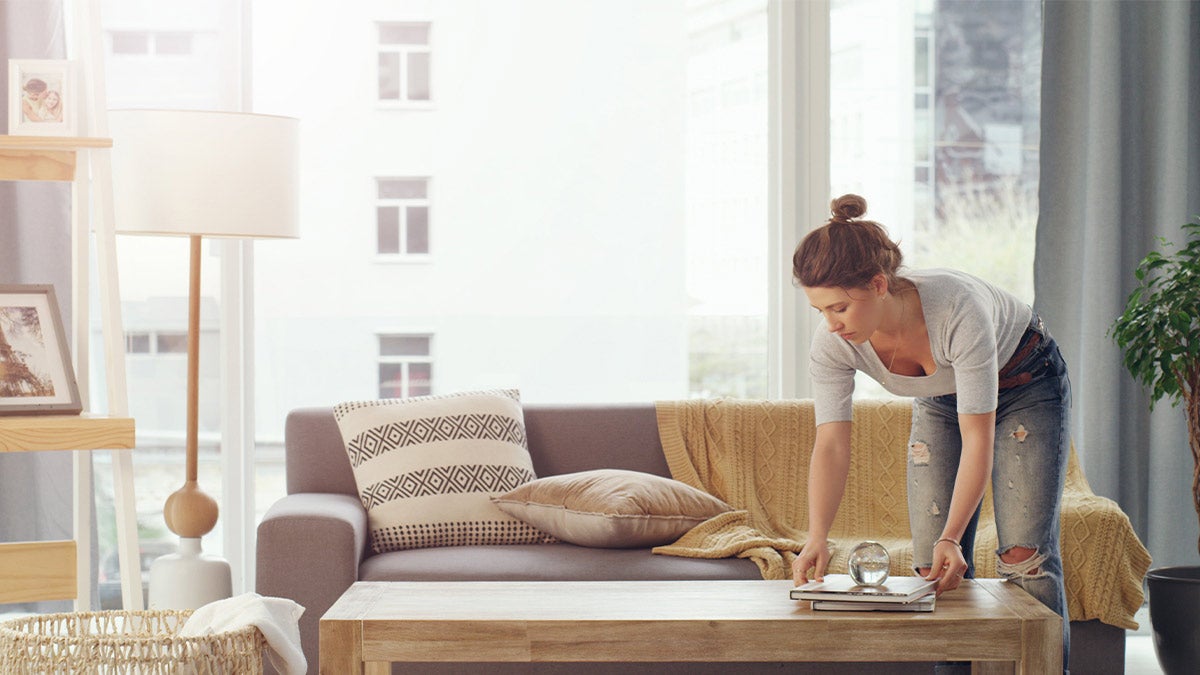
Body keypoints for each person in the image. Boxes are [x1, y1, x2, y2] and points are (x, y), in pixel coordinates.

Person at [790, 194, 1071, 671]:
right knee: (930, 568)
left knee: (1024, 556)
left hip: (1025, 380)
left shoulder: (958, 310)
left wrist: (954, 534)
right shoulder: (834, 344)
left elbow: (978, 438)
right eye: (820, 311)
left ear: (879, 285)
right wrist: (817, 536)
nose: (831, 324)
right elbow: (833, 444)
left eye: (839, 307)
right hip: (942, 398)